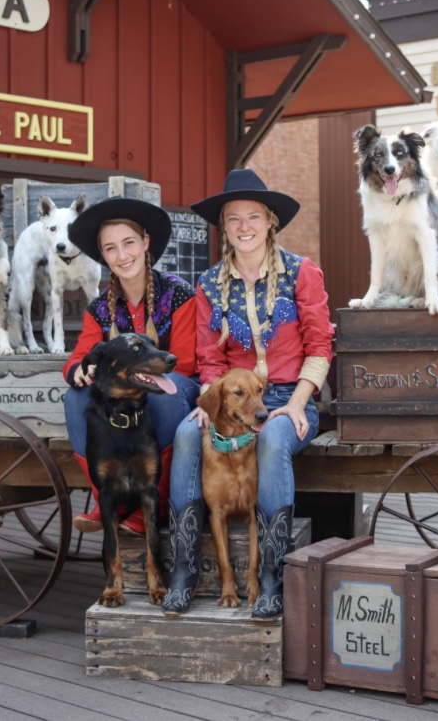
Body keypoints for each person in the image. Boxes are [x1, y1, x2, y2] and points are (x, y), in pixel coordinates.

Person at [161, 169, 334, 619]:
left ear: (270, 221)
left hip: (288, 398)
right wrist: (208, 403)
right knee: (184, 434)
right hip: (232, 401)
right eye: (233, 218)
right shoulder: (209, 284)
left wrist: (296, 404)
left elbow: (319, 345)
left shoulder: (301, 273)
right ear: (224, 225)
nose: (244, 227)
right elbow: (209, 359)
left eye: (253, 216)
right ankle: (184, 568)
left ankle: (272, 577)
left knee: (275, 438)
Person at [63, 197, 200, 534]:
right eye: (111, 249)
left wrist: (141, 381)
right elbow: (80, 354)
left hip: (177, 388)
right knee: (75, 398)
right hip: (125, 396)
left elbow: (184, 361)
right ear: (103, 256)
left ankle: (157, 504)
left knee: (162, 395)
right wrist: (80, 370)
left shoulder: (179, 294)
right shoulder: (99, 308)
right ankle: (108, 500)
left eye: (129, 243)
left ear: (145, 243)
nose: (122, 256)